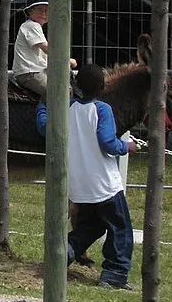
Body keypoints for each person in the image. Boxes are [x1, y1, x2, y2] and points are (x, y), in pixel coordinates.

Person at [36, 63, 137, 290]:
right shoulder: (102, 110)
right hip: (104, 185)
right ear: (102, 87)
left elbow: (44, 126)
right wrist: (127, 146)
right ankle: (115, 273)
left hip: (78, 186)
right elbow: (108, 142)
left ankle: (64, 254)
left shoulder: (67, 109)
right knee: (120, 228)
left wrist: (42, 106)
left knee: (91, 227)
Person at [12, 0, 76, 98]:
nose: (43, 14)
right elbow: (47, 49)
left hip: (37, 71)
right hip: (30, 73)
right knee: (58, 93)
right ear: (29, 11)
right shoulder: (32, 26)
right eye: (39, 10)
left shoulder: (34, 27)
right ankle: (44, 114)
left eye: (47, 10)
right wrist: (66, 60)